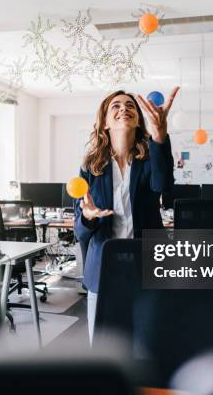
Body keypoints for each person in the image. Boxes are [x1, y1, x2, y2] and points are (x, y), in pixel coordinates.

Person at [73, 87, 178, 343]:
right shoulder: (90, 167)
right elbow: (79, 230)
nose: (124, 108)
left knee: (148, 344)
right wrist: (88, 216)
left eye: (130, 105)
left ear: (139, 120)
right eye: (116, 106)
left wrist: (160, 136)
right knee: (103, 349)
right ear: (106, 123)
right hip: (104, 269)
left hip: (147, 266)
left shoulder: (150, 159)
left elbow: (163, 185)